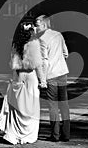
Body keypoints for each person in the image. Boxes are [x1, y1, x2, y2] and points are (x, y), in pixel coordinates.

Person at [0, 23, 47, 145]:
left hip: (18, 75)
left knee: (17, 106)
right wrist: (42, 80)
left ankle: (14, 134)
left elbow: (11, 63)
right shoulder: (34, 44)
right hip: (30, 76)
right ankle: (27, 135)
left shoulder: (15, 45)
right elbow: (38, 65)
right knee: (30, 106)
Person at [35, 14, 70, 142]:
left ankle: (55, 135)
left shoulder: (41, 39)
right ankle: (66, 134)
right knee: (64, 105)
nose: (35, 27)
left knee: (53, 106)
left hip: (51, 75)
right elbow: (65, 53)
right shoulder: (58, 35)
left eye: (37, 24)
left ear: (44, 24)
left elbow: (44, 60)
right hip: (62, 72)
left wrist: (42, 80)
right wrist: (59, 61)